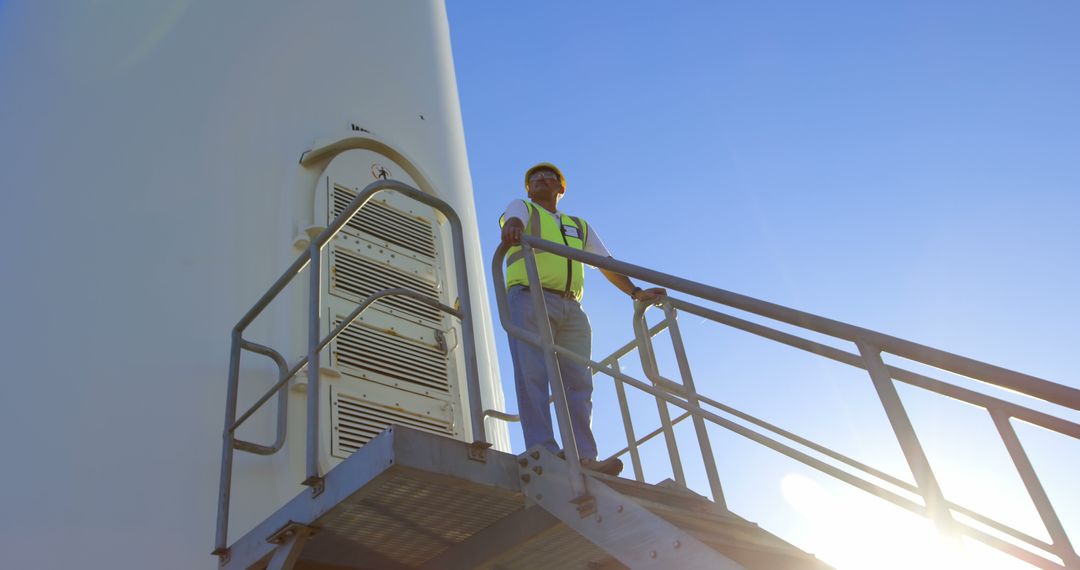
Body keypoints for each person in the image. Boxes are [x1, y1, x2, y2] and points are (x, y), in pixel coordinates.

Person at [499, 162, 666, 476]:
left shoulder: (579, 226)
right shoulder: (521, 208)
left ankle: (584, 457)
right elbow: (513, 220)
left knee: (579, 383)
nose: (539, 180)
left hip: (571, 308)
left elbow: (605, 262)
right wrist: (512, 228)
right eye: (533, 178)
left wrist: (634, 292)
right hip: (529, 297)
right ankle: (544, 451)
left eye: (548, 177)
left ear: (560, 189)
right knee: (532, 374)